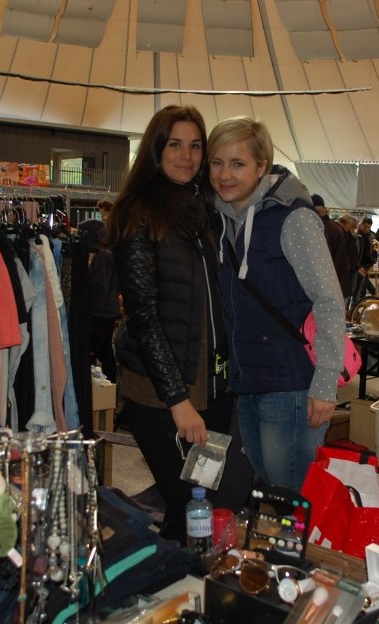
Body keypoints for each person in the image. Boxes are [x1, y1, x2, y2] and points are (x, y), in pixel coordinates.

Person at [107, 105, 233, 542]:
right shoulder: (138, 214)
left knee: (204, 496)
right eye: (175, 144)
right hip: (161, 388)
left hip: (211, 381)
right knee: (183, 500)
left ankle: (186, 573)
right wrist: (177, 400)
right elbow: (143, 314)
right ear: (156, 150)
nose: (186, 155)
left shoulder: (206, 211)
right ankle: (170, 572)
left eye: (195, 146)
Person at [207, 116, 345, 491]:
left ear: (261, 166)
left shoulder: (293, 219)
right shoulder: (224, 220)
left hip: (293, 385)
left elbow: (329, 300)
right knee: (270, 489)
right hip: (248, 383)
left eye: (238, 164)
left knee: (291, 497)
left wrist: (324, 385)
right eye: (217, 162)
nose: (225, 175)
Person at [81, 199, 119, 381]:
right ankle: (110, 384)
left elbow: (100, 285)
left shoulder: (103, 256)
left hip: (102, 311)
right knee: (104, 350)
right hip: (107, 310)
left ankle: (108, 384)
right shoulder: (107, 253)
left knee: (99, 349)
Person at [313, 194, 355, 303]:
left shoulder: (325, 228)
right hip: (338, 284)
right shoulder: (331, 227)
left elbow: (325, 259)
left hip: (333, 285)